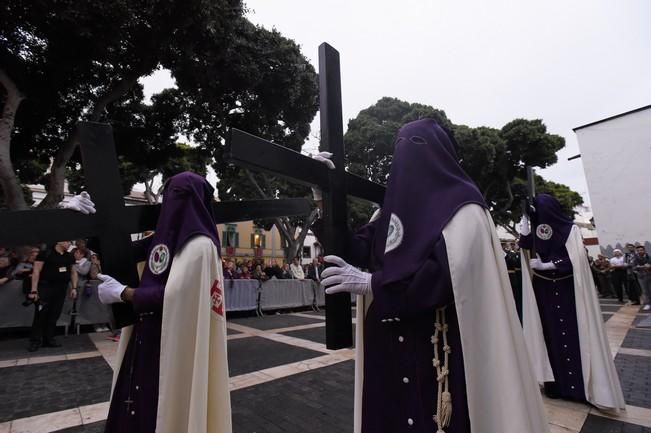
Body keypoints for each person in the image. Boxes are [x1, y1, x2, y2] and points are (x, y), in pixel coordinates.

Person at [319, 119, 549, 433]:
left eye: (416, 145)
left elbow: (442, 277)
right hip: (385, 350)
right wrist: (325, 197)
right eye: (400, 146)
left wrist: (371, 283)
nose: (407, 155)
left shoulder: (466, 210)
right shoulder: (386, 215)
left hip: (440, 349)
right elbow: (352, 251)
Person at [97, 172, 232, 433]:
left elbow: (175, 295)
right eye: (168, 195)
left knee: (164, 406)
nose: (170, 202)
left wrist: (125, 293)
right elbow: (116, 251)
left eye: (178, 195)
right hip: (144, 334)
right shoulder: (162, 237)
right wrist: (88, 223)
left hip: (176, 342)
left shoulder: (201, 246)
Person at [519, 193, 625, 409]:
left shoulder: (570, 229)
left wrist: (552, 264)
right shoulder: (534, 227)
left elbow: (577, 257)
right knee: (549, 336)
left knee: (576, 334)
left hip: (568, 290)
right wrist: (525, 229)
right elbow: (526, 248)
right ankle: (555, 386)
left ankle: (578, 387)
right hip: (544, 290)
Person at [27, 241, 79, 352]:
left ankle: (49, 339)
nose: (69, 244)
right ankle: (35, 341)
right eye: (67, 242)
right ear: (59, 242)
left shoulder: (69, 256)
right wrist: (34, 290)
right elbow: (36, 271)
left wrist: (74, 288)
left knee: (54, 314)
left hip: (61, 288)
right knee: (41, 314)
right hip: (46, 287)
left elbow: (73, 272)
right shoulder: (45, 253)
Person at [632, 245, 651, 311]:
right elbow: (634, 267)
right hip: (641, 276)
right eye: (638, 250)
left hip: (650, 275)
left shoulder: (649, 257)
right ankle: (648, 303)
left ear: (644, 250)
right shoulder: (635, 258)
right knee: (645, 291)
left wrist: (649, 266)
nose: (640, 251)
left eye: (641, 250)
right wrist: (642, 266)